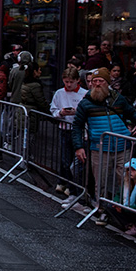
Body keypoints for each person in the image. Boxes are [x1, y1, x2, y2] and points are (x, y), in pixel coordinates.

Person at [72, 67, 136, 226]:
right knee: (100, 181)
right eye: (94, 81)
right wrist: (79, 147)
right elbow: (77, 126)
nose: (97, 84)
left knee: (124, 181)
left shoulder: (119, 99)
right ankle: (101, 210)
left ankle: (122, 213)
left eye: (100, 81)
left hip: (122, 147)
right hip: (99, 148)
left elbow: (133, 113)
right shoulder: (85, 103)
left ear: (107, 83)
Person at [50, 67, 88, 195]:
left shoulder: (84, 93)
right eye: (66, 82)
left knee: (77, 162)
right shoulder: (59, 93)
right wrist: (60, 113)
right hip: (65, 129)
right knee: (66, 160)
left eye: (71, 82)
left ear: (78, 80)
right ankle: (67, 183)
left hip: (79, 131)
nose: (69, 84)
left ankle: (73, 186)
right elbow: (53, 110)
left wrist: (77, 112)